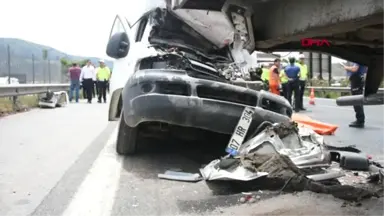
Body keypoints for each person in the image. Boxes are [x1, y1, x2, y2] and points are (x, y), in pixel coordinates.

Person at [343, 62, 366, 128]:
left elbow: (355, 69)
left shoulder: (358, 59)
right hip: (358, 79)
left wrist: (346, 67)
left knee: (356, 100)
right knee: (357, 100)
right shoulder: (361, 59)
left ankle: (360, 121)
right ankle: (360, 119)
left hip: (357, 80)